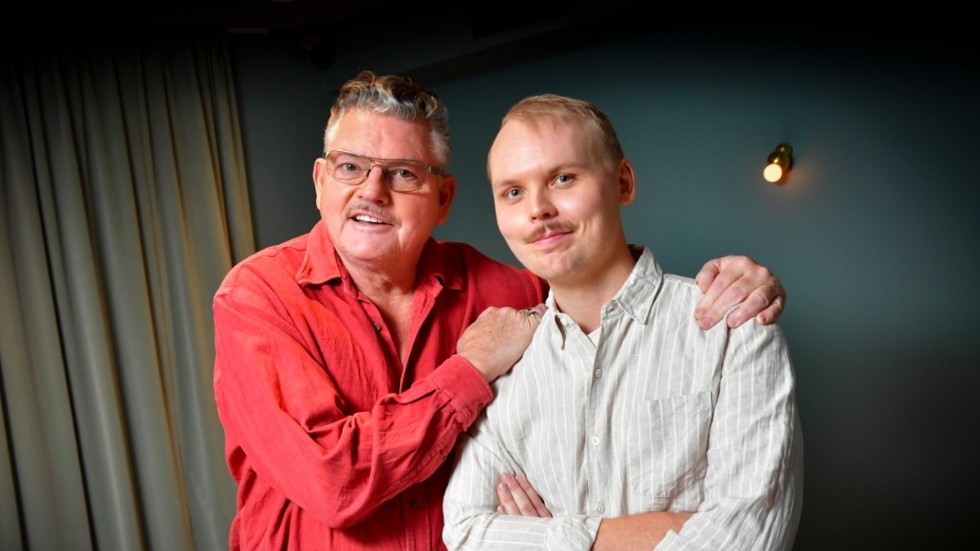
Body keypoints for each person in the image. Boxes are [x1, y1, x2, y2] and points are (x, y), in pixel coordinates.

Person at [212, 70, 789, 551]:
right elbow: (335, 482)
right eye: (350, 167)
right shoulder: (258, 297)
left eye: (404, 174)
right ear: (320, 181)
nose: (373, 191)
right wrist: (468, 371)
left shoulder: (514, 295)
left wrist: (746, 281)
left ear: (443, 200)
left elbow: (594, 290)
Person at [442, 93, 803, 550]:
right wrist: (651, 531)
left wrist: (547, 539)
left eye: (563, 178)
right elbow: (467, 534)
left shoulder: (734, 324)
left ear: (624, 183)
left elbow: (750, 539)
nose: (538, 209)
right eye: (513, 191)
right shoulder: (500, 363)